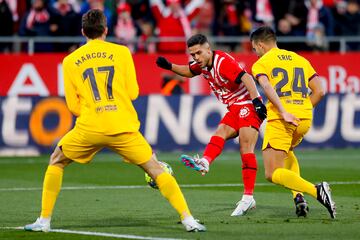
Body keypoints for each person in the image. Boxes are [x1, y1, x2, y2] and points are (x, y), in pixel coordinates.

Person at [24, 9, 206, 233]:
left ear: (83, 32)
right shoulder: (122, 52)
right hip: (122, 126)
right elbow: (133, 93)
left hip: (90, 126)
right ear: (106, 30)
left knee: (56, 161)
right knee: (156, 169)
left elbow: (72, 107)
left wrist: (95, 111)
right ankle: (188, 219)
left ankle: (44, 221)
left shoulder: (70, 61)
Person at [156, 34, 267, 216]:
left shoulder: (222, 62)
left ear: (208, 49)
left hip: (247, 104)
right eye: (193, 55)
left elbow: (246, 78)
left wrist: (257, 102)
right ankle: (205, 162)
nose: (196, 58)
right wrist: (169, 66)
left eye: (199, 53)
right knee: (220, 132)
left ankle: (248, 198)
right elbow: (188, 71)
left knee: (245, 147)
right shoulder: (202, 65)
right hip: (234, 108)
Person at [250, 26, 336, 218]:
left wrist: (284, 111)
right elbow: (320, 91)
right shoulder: (300, 59)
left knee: (272, 172)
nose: (254, 53)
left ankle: (316, 191)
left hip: (282, 119)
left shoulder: (262, 63)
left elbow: (265, 85)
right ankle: (298, 197)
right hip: (304, 118)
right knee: (287, 152)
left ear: (260, 45)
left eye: (254, 49)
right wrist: (302, 110)